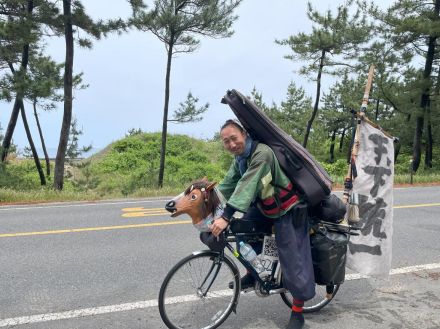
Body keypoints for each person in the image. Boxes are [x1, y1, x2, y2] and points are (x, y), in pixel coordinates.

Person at [210, 119, 315, 329]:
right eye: (225, 141)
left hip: (288, 209)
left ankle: (298, 311)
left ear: (244, 134)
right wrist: (211, 206)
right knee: (241, 235)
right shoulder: (240, 158)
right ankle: (252, 273)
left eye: (234, 138)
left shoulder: (262, 153)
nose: (231, 144)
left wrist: (226, 215)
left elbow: (247, 184)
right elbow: (228, 185)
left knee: (292, 257)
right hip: (265, 207)